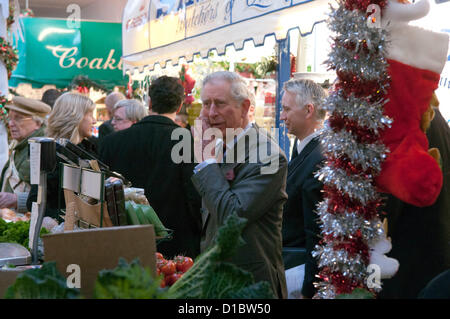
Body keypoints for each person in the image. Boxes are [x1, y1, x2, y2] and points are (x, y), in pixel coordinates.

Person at [191, 71, 288, 299]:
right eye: (206, 104)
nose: (211, 113)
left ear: (245, 107)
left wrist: (206, 163)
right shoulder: (219, 146)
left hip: (250, 285)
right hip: (218, 281)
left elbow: (231, 214)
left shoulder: (268, 156)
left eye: (220, 104)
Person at [100, 76, 202, 259]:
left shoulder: (111, 142)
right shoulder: (183, 139)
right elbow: (192, 192)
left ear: (149, 102)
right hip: (175, 244)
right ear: (179, 106)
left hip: (123, 241)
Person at [379, 105, 450, 299]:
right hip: (433, 252)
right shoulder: (435, 118)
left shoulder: (409, 120)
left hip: (405, 259)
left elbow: (393, 198)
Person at [279, 78, 327, 299]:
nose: (282, 116)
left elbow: (316, 231)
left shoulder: (318, 157)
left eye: (287, 109)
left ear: (309, 110)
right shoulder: (306, 150)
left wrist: (311, 288)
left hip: (299, 276)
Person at [26, 92, 98, 220]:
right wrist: (67, 219)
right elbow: (34, 201)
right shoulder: (51, 153)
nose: (94, 120)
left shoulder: (89, 148)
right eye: (90, 115)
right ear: (76, 117)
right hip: (64, 233)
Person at [0, 96, 51, 213]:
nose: (10, 124)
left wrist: (17, 199)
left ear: (37, 123)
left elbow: (49, 196)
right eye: (10, 118)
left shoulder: (43, 149)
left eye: (18, 118)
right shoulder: (18, 145)